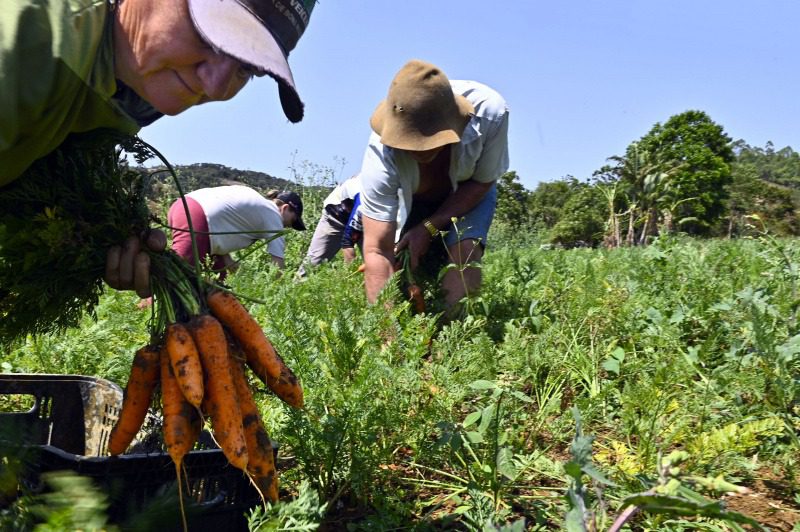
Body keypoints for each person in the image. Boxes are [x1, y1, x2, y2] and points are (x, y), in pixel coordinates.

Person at [1, 0, 316, 297]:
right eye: (211, 34)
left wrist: (80, 234)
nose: (216, 86)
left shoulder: (130, 90)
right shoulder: (25, 43)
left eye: (248, 69)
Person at [358, 59, 510, 316]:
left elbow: (483, 181)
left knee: (464, 252)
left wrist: (428, 228)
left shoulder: (490, 115)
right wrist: (387, 341)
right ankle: (409, 327)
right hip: (416, 197)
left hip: (470, 190)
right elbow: (376, 250)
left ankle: (452, 338)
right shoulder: (380, 154)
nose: (418, 150)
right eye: (410, 143)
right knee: (404, 264)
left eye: (428, 141)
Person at [168, 186, 306, 278]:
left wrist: (231, 264)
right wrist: (279, 292)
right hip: (197, 219)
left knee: (219, 281)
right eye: (293, 221)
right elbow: (278, 267)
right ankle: (148, 310)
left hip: (182, 206)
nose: (289, 226)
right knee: (175, 279)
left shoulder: (257, 202)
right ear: (285, 208)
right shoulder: (274, 216)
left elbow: (223, 218)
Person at [299, 175, 364, 275]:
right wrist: (351, 281)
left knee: (379, 262)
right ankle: (296, 287)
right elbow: (348, 243)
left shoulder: (394, 193)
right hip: (336, 216)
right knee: (313, 263)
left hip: (370, 220)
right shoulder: (364, 195)